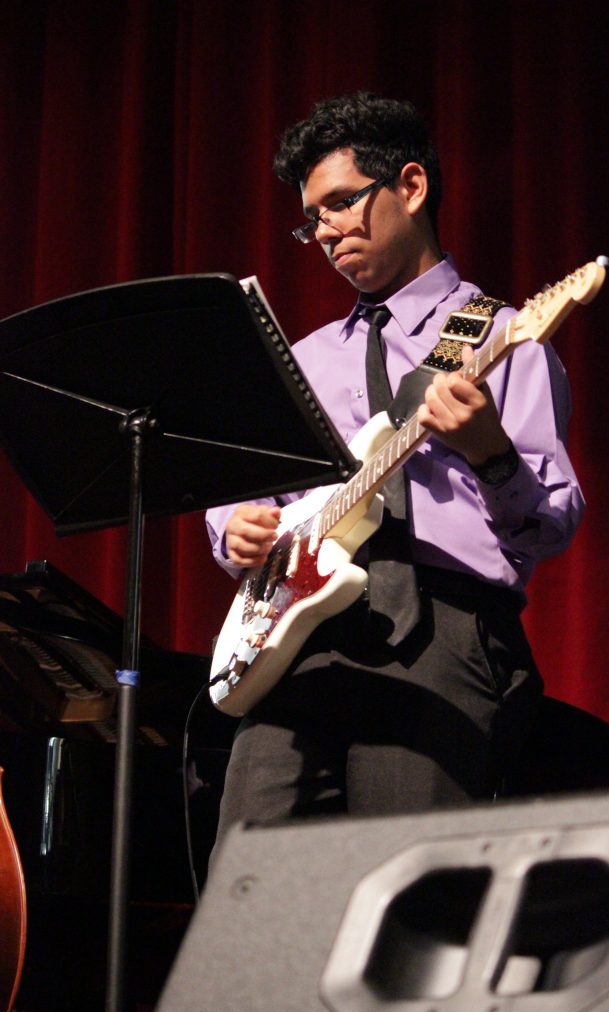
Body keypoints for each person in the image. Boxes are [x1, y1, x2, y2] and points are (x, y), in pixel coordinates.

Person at [205, 92, 584, 843]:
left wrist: (488, 451)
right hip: (298, 642)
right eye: (311, 219)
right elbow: (244, 501)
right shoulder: (302, 358)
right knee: (250, 897)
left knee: (406, 897)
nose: (324, 233)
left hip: (438, 632)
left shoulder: (500, 335)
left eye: (341, 204)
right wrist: (236, 532)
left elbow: (551, 523)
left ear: (410, 187)